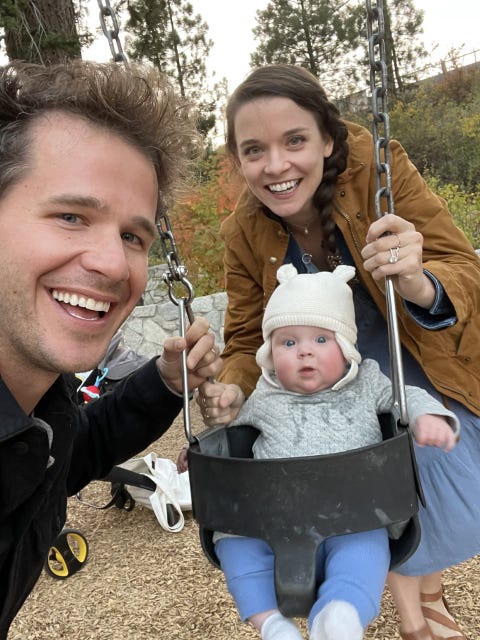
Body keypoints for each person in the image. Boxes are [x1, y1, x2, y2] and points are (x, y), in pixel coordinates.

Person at [197, 64, 480, 640]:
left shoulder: (379, 171)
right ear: (239, 160)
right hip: (321, 380)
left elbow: (463, 267)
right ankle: (413, 620)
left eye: (294, 141)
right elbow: (249, 337)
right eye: (254, 150)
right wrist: (231, 386)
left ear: (327, 140)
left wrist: (419, 280)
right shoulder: (242, 231)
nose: (275, 166)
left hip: (412, 351)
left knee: (435, 473)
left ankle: (427, 589)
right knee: (368, 477)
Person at [0, 60, 222, 639]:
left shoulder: (41, 409)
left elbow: (71, 454)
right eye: (71, 216)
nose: (114, 264)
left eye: (133, 236)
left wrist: (168, 381)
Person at [213, 262, 459, 640]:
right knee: (234, 541)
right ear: (270, 353)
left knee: (367, 550)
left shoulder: (368, 383)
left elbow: (405, 396)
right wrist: (199, 451)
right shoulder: (263, 396)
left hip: (352, 513)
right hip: (270, 517)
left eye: (321, 340)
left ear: (346, 347)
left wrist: (427, 417)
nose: (304, 353)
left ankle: (341, 616)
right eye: (288, 342)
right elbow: (228, 432)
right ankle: (271, 625)